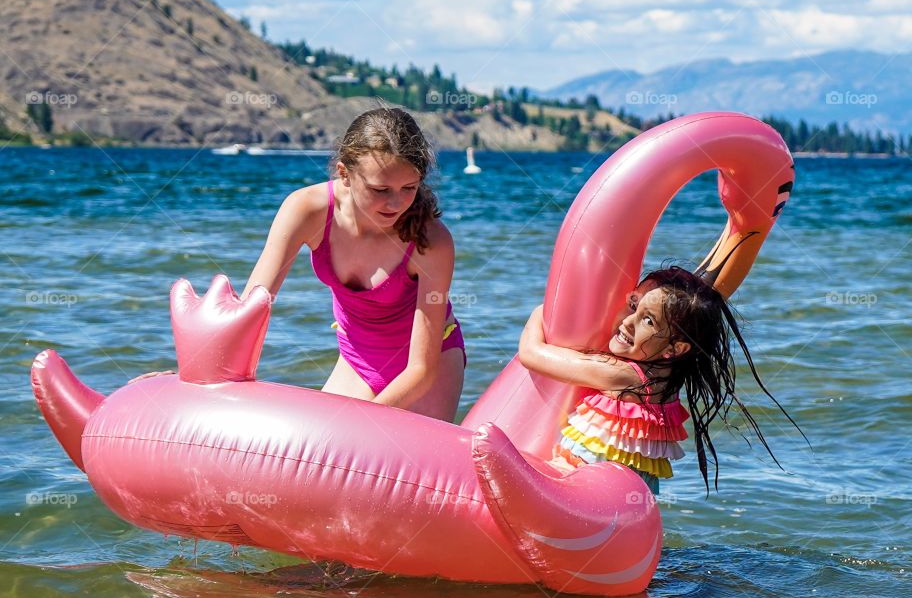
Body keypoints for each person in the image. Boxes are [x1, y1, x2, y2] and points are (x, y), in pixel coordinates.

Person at [244, 106, 466, 421]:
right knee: (317, 454)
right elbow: (253, 307)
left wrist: (361, 420)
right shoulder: (306, 211)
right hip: (356, 359)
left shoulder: (431, 242)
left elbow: (421, 368)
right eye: (380, 190)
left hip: (426, 370)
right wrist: (210, 373)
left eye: (409, 188)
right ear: (344, 174)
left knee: (395, 463)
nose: (396, 203)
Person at [518, 265, 796, 492]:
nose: (628, 322)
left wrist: (545, 310)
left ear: (676, 348)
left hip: (584, 491)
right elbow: (699, 296)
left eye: (647, 320)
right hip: (629, 504)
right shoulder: (668, 377)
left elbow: (531, 354)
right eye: (633, 305)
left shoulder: (623, 375)